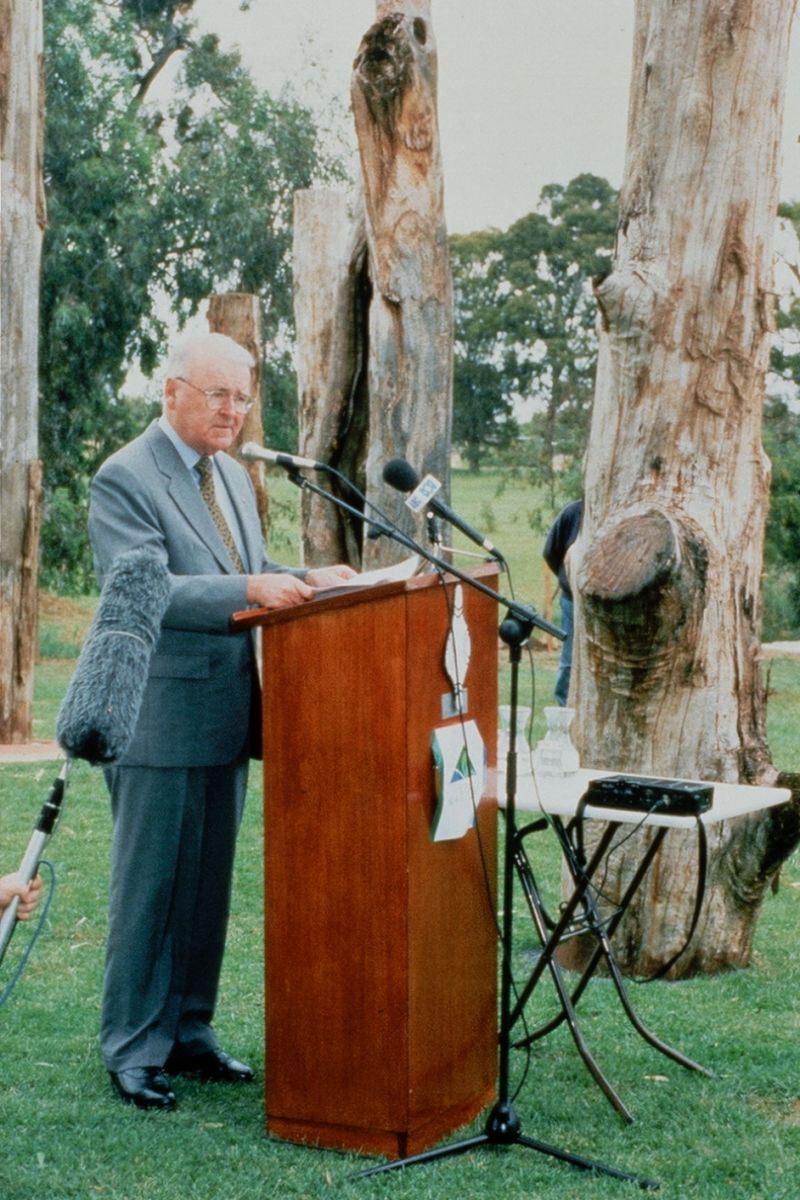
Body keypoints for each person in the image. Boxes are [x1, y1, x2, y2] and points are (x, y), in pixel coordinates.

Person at [88, 331, 355, 1112]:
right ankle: (132, 1048)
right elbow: (142, 588)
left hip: (226, 713)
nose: (232, 410)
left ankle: (190, 1032)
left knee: (207, 887)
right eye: (217, 394)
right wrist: (255, 585)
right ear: (171, 391)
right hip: (157, 714)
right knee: (153, 886)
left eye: (242, 396)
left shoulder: (234, 478)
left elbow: (250, 574)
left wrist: (309, 578)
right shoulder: (125, 478)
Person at [543, 499, 583, 707]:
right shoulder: (573, 513)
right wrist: (566, 580)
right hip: (573, 602)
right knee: (570, 662)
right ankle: (563, 710)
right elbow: (551, 552)